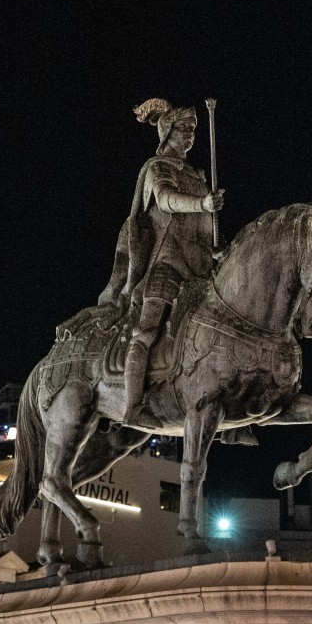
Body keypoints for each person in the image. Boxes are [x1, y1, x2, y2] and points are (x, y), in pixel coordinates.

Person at [101, 99, 224, 416]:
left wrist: (218, 248)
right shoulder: (158, 168)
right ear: (168, 132)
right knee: (147, 330)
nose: (190, 136)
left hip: (200, 269)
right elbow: (166, 200)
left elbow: (202, 228)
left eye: (193, 130)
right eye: (184, 129)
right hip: (167, 264)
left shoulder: (197, 176)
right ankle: (133, 405)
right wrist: (202, 204)